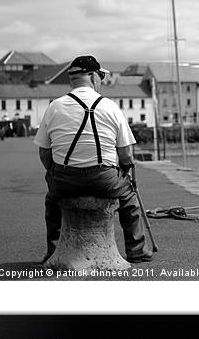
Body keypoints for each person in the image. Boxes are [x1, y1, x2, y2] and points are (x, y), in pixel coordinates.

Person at [34, 55, 153, 264]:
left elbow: (44, 153)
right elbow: (126, 154)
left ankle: (53, 251)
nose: (101, 80)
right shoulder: (110, 106)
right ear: (91, 76)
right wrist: (125, 171)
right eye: (100, 75)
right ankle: (137, 250)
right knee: (129, 200)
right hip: (103, 178)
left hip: (65, 179)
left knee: (52, 201)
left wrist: (55, 171)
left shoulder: (54, 107)